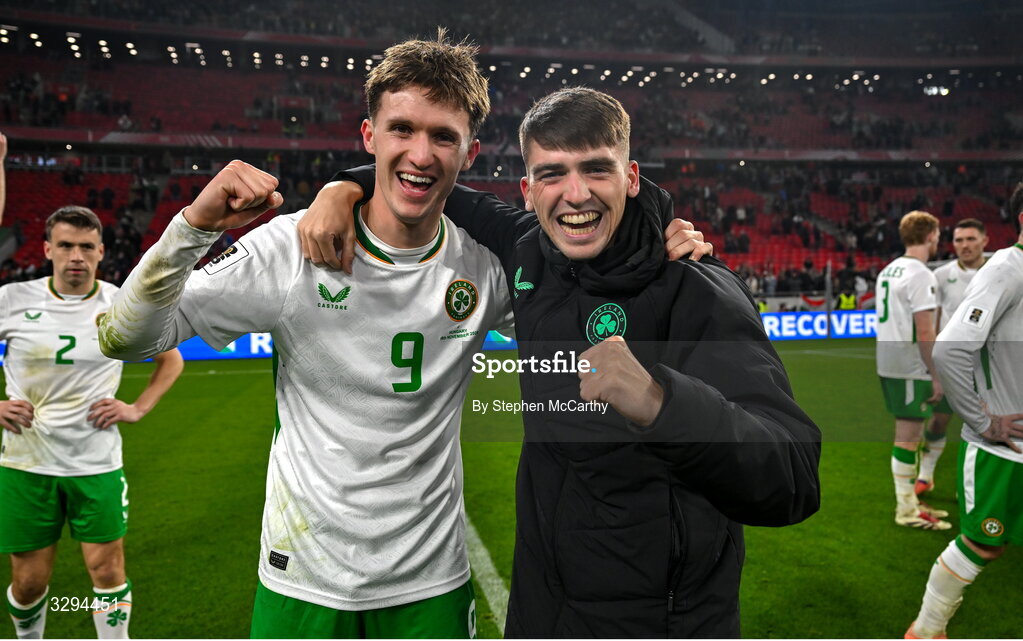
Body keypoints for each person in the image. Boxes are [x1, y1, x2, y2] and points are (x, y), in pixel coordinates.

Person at [98, 37, 710, 639]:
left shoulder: (489, 269)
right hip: (302, 581)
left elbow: (593, 330)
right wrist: (194, 226)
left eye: (443, 136)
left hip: (430, 584)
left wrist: (657, 250)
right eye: (402, 129)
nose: (421, 153)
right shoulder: (291, 249)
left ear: (469, 153)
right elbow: (128, 339)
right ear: (369, 137)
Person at [301, 87, 821, 637]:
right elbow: (430, 182)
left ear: (632, 177)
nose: (575, 195)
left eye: (597, 170)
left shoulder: (694, 286)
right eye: (552, 174)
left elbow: (792, 478)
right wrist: (342, 187)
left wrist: (659, 402)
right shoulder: (529, 250)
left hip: (660, 623)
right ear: (528, 190)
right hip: (542, 612)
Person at [1, 206, 183, 639]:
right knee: (29, 583)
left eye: (86, 246)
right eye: (65, 246)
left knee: (107, 570)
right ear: (48, 249)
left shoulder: (120, 303)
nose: (75, 256)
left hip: (96, 463)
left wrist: (136, 408)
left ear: (102, 252)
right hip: (27, 464)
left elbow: (170, 358)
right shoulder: (12, 299)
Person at [905, 184, 1023, 639]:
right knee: (983, 544)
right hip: (1007, 449)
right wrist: (982, 420)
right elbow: (950, 350)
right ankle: (927, 629)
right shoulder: (1008, 269)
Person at [875, 211, 950, 530]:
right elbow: (925, 330)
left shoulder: (889, 269)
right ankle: (906, 510)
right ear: (931, 235)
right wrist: (936, 374)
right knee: (908, 437)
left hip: (890, 361)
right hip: (909, 365)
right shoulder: (921, 274)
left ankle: (911, 501)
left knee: (911, 434)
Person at [915, 218, 989, 496]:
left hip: (988, 365)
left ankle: (973, 484)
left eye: (971, 239)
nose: (964, 245)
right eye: (959, 240)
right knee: (939, 421)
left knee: (986, 426)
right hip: (953, 365)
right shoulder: (942, 276)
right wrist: (933, 367)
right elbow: (932, 323)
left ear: (985, 241)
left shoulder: (999, 272)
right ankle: (925, 475)